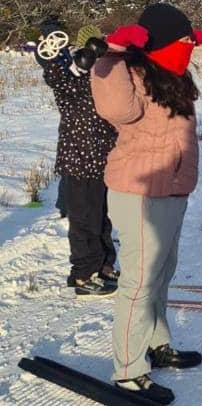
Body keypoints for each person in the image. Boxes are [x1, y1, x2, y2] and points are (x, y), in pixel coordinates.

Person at [91, 3, 202, 405]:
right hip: (138, 192)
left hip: (173, 189)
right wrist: (111, 54)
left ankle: (158, 344)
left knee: (162, 274)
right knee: (139, 283)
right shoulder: (130, 74)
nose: (190, 44)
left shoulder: (173, 75)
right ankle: (128, 371)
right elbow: (115, 109)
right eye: (184, 38)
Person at [34, 19, 118, 296]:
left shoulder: (102, 76)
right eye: (92, 53)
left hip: (104, 157)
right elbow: (56, 76)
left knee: (102, 217)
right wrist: (71, 60)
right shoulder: (67, 76)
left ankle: (105, 264)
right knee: (83, 221)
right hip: (79, 160)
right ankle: (83, 274)